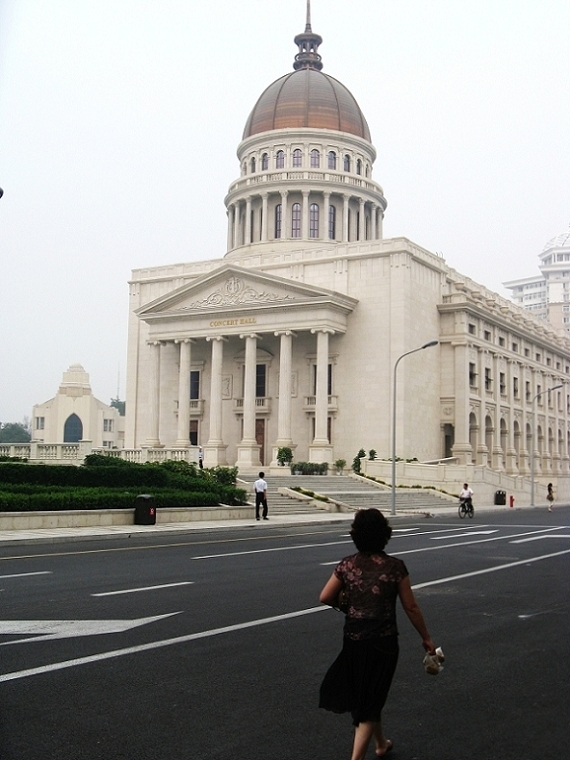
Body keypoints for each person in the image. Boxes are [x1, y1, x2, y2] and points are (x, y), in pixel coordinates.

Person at [319, 508, 436, 760]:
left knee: (369, 693)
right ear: (385, 534)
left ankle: (381, 744)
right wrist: (426, 637)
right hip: (383, 642)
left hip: (352, 639)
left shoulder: (347, 564)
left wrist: (346, 606)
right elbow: (411, 607)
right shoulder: (395, 567)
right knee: (371, 699)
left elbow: (325, 596)